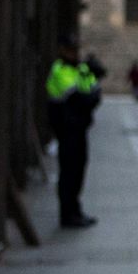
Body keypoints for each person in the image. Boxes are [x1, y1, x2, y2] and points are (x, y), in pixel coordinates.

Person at [45, 35, 101, 228]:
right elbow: (78, 98)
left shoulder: (80, 69)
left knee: (78, 170)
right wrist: (88, 96)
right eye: (71, 50)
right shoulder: (59, 70)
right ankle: (67, 214)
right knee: (68, 173)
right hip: (67, 129)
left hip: (80, 128)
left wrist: (88, 96)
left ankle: (75, 210)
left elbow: (95, 90)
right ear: (62, 51)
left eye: (76, 50)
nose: (75, 54)